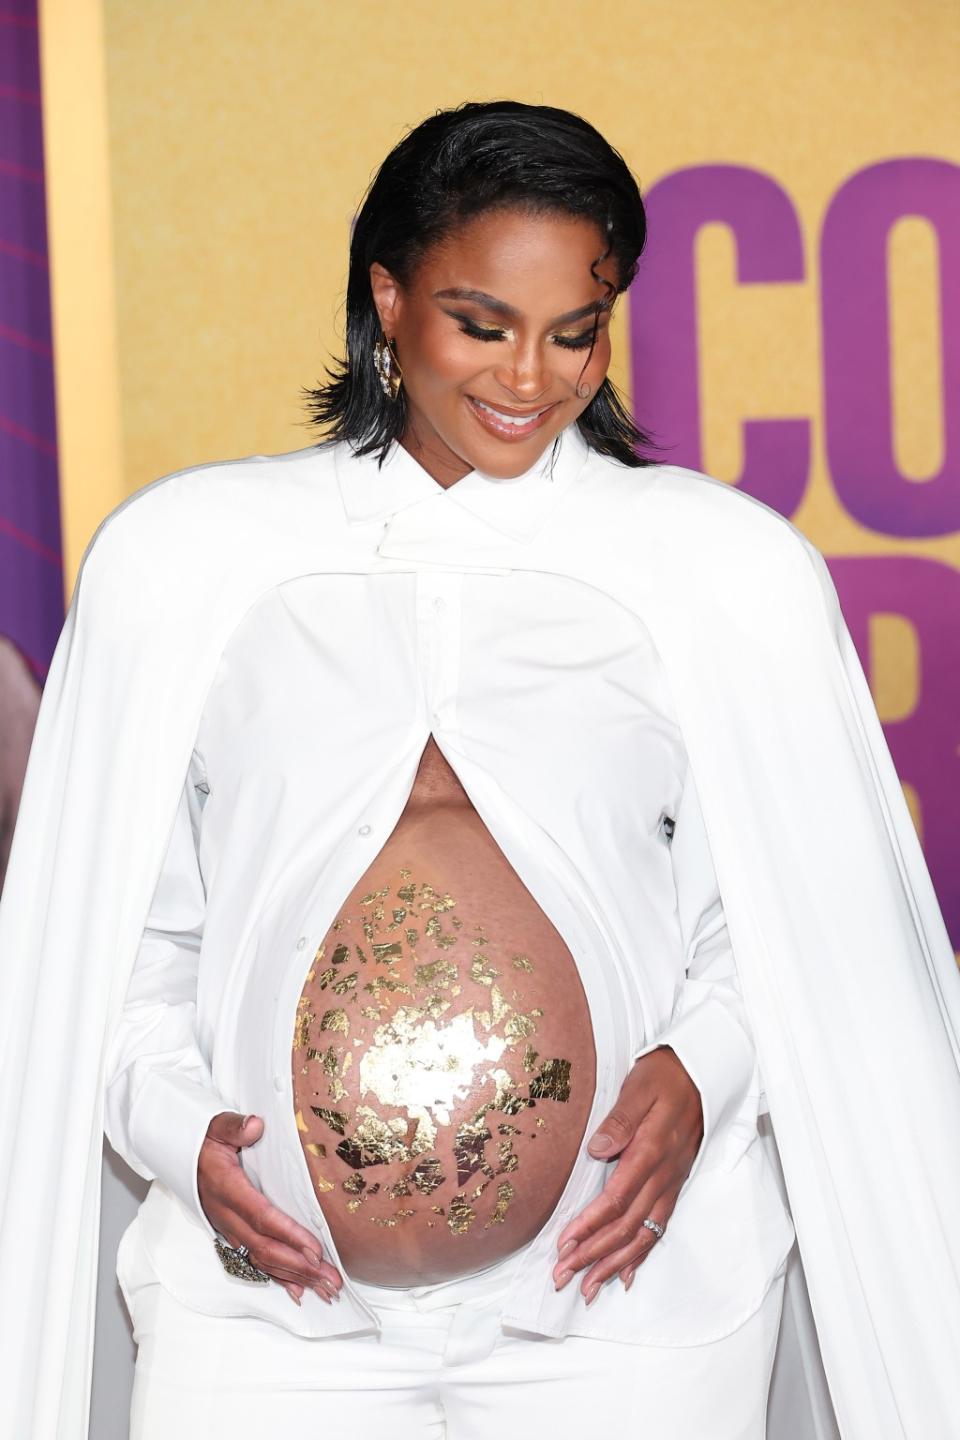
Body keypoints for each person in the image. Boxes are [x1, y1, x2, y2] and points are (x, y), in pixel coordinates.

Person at [1, 100, 959, 1440]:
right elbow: (109, 949)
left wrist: (700, 1075)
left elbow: (792, 926)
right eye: (483, 324)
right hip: (266, 1320)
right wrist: (180, 1137)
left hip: (629, 1311)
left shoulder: (718, 572)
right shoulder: (193, 563)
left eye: (577, 330)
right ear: (386, 299)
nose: (533, 378)